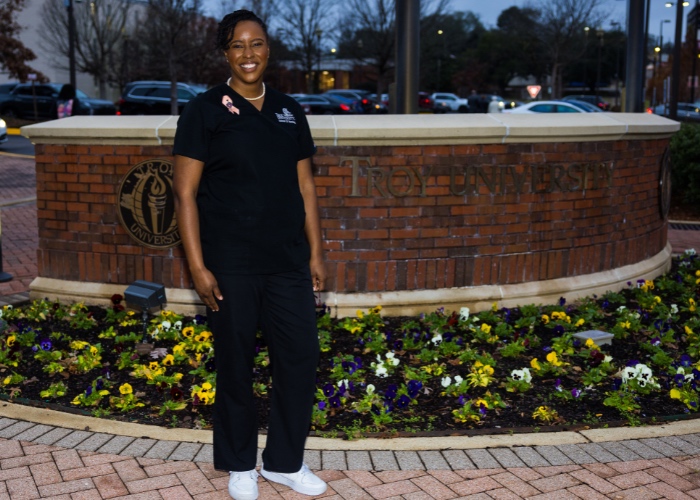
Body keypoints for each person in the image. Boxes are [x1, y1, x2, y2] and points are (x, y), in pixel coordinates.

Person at [172, 9, 327, 500]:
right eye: (237, 45)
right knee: (236, 363)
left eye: (256, 43)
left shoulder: (288, 110)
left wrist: (317, 253)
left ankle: (283, 462)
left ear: (268, 49)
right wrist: (197, 266)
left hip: (287, 261)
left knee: (299, 358)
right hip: (230, 264)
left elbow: (305, 187)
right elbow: (185, 196)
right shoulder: (204, 110)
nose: (248, 54)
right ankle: (240, 463)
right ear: (225, 53)